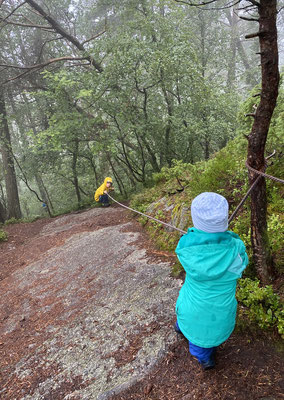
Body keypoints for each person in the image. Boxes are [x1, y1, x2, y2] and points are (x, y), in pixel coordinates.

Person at [175, 192, 248, 370]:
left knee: (197, 338)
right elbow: (242, 263)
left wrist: (200, 236)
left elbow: (188, 244)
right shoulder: (236, 249)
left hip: (190, 308)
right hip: (220, 312)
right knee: (207, 335)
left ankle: (192, 344)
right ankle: (206, 359)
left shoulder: (186, 247)